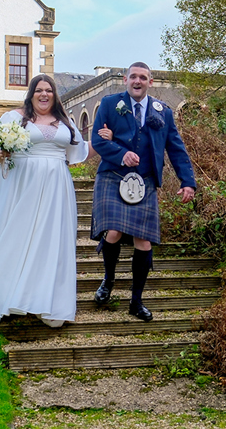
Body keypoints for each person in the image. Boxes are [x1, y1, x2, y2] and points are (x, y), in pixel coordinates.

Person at [0, 74, 112, 327]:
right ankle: (2, 294)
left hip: (56, 187)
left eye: (49, 90)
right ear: (31, 93)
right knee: (15, 236)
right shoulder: (13, 117)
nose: (44, 94)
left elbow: (78, 153)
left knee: (50, 240)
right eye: (39, 90)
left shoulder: (65, 121)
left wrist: (104, 141)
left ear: (54, 94)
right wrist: (3, 152)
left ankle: (45, 302)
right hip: (21, 184)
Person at [90, 62, 196, 322]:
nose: (137, 81)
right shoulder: (109, 104)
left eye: (143, 77)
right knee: (113, 231)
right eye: (133, 77)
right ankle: (108, 280)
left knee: (144, 241)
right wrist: (121, 153)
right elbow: (97, 140)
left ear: (151, 81)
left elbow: (176, 148)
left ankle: (136, 301)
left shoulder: (163, 111)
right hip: (113, 176)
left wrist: (188, 181)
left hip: (144, 180)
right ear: (126, 79)